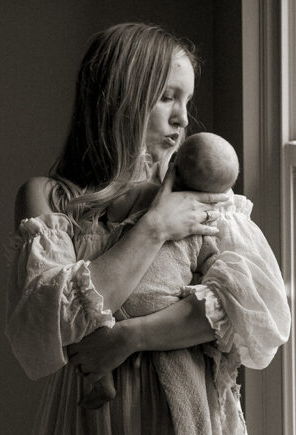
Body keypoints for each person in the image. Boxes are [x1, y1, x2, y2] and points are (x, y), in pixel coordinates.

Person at [1, 23, 290, 435]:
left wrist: (128, 337)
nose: (183, 118)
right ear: (120, 96)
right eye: (166, 96)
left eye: (187, 99)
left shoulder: (209, 200)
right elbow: (54, 326)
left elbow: (257, 317)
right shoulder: (50, 201)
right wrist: (155, 226)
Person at [82, 131, 242, 409]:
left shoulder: (145, 205)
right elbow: (217, 270)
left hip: (118, 304)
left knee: (90, 325)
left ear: (174, 162)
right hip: (162, 309)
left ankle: (102, 381)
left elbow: (111, 241)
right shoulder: (205, 226)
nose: (181, 120)